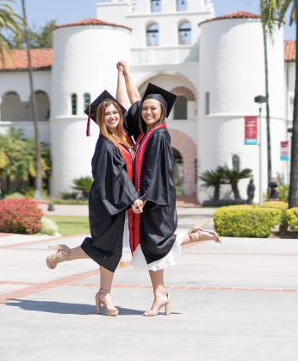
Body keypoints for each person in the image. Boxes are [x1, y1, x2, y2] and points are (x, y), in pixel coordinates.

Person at [121, 63, 221, 316]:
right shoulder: (145, 134)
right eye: (145, 109)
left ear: (162, 111)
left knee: (155, 245)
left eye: (152, 108)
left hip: (156, 200)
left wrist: (143, 198)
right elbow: (133, 101)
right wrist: (124, 74)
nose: (146, 112)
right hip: (148, 200)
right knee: (150, 247)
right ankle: (160, 295)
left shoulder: (159, 135)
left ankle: (194, 238)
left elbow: (156, 171)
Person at [45, 88, 142, 316]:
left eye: (115, 112)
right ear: (99, 118)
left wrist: (122, 71)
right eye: (106, 114)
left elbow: (125, 103)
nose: (112, 116)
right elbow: (117, 176)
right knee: (108, 250)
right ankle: (69, 259)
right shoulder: (107, 144)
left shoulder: (122, 136)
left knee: (112, 251)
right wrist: (133, 198)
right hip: (106, 203)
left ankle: (102, 292)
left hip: (116, 202)